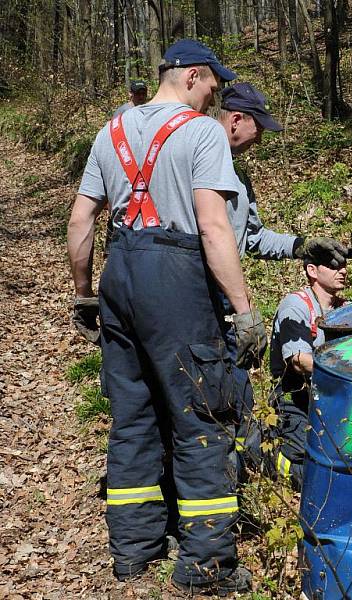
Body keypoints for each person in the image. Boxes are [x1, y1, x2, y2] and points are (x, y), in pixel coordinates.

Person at [67, 38, 260, 595]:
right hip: (175, 277)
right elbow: (214, 227)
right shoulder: (201, 133)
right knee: (202, 416)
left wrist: (85, 294)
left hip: (120, 274)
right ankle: (206, 567)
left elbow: (82, 222)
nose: (214, 97)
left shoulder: (112, 132)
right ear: (193, 77)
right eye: (213, 86)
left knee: (133, 415)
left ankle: (133, 552)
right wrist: (244, 310)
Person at [214, 81, 352, 477]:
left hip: (224, 309)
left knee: (234, 396)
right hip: (198, 301)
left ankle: (235, 474)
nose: (259, 140)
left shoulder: (238, 178)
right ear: (237, 119)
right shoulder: (196, 164)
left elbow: (252, 237)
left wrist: (301, 245)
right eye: (259, 128)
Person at [268, 252, 349, 489]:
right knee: (306, 470)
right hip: (294, 396)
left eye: (344, 266)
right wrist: (348, 371)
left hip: (330, 395)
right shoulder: (297, 304)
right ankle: (267, 457)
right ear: (312, 270)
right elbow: (299, 361)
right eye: (334, 265)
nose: (343, 271)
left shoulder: (345, 310)